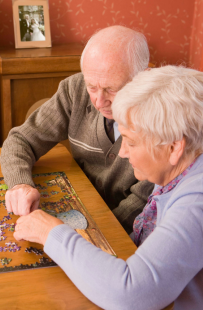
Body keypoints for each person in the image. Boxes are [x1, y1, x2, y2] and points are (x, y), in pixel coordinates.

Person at [13, 65, 203, 310]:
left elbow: (131, 294)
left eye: (131, 142)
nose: (122, 152)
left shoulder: (196, 202)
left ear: (174, 147)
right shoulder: (181, 165)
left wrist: (51, 233)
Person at [0, 25, 154, 234]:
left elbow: (142, 203)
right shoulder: (74, 90)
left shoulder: (163, 121)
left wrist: (80, 235)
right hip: (74, 207)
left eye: (112, 89)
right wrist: (20, 185)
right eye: (92, 86)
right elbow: (21, 139)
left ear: (143, 77)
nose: (99, 101)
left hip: (122, 231)